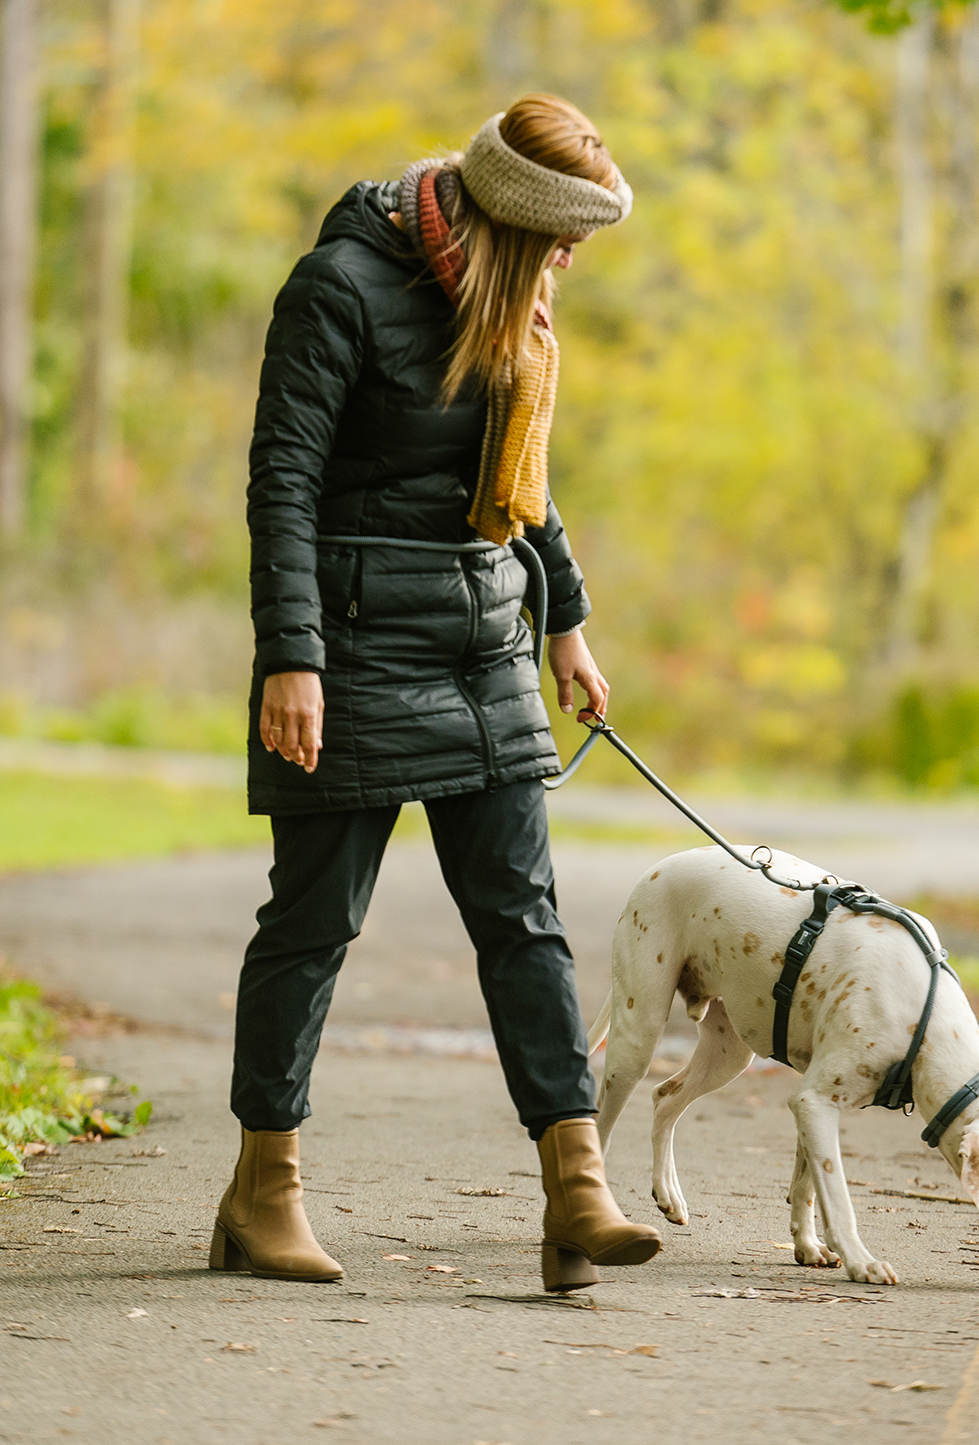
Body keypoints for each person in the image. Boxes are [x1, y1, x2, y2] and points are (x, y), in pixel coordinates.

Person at [210, 93, 661, 1295]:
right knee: (312, 925)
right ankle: (264, 1190)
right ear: (514, 217)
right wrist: (290, 655)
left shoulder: (516, 300)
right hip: (350, 647)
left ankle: (575, 1187)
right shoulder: (340, 288)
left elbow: (525, 479)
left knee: (523, 920)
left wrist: (562, 614)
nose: (573, 258)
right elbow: (282, 483)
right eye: (564, 236)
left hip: (481, 640)